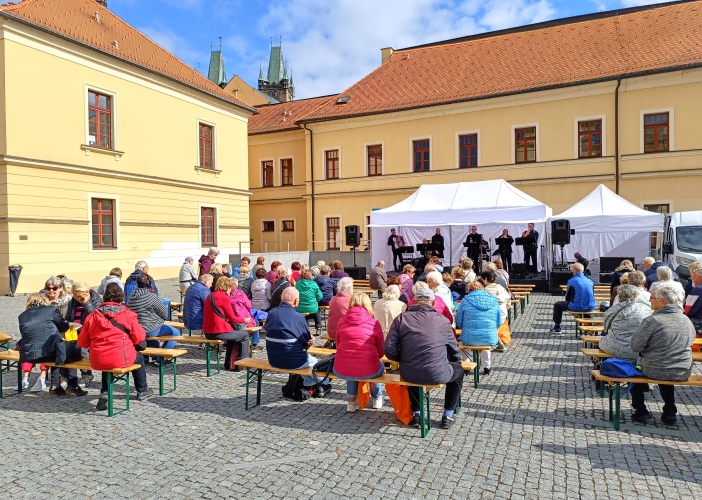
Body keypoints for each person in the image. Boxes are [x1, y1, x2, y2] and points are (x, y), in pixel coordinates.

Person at [384, 287, 464, 429]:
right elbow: (454, 349)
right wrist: (455, 360)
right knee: (458, 371)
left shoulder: (401, 318)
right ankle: (448, 415)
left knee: (413, 369)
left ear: (414, 301)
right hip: (436, 372)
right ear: (432, 303)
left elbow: (389, 348)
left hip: (409, 371)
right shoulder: (443, 320)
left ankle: (417, 413)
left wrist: (401, 358)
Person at [79, 283, 153, 409]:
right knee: (139, 357)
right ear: (121, 298)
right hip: (121, 357)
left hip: (98, 359)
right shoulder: (127, 314)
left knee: (106, 359)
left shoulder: (92, 316)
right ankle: (142, 390)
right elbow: (140, 337)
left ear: (104, 298)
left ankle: (105, 392)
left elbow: (83, 343)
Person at [629, 285, 696, 424]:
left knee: (631, 371)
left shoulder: (652, 321)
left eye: (653, 298)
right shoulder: (686, 320)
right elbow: (691, 340)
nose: (649, 300)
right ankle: (670, 409)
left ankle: (640, 409)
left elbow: (636, 346)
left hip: (656, 367)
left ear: (663, 302)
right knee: (665, 365)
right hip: (682, 368)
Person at [266, 287, 331, 398]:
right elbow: (306, 342)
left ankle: (310, 384)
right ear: (296, 301)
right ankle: (321, 383)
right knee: (315, 363)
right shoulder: (298, 317)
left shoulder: (272, 313)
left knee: (306, 363)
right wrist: (311, 339)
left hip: (273, 359)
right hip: (294, 361)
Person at [334, 293, 386, 411]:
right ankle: (377, 399)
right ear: (368, 304)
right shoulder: (374, 323)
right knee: (376, 366)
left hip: (342, 368)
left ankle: (351, 402)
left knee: (351, 366)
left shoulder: (341, 322)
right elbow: (381, 350)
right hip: (368, 368)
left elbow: (338, 344)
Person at [18, 294, 72, 394]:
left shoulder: (22, 316)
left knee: (55, 346)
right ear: (44, 301)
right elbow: (63, 327)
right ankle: (60, 384)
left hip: (28, 356)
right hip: (49, 354)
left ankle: (32, 379)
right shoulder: (51, 310)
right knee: (62, 349)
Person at [203, 276, 252, 371]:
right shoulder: (224, 298)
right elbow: (232, 318)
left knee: (232, 337)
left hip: (208, 332)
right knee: (244, 335)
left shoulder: (210, 296)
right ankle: (243, 363)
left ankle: (228, 363)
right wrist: (244, 320)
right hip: (218, 332)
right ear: (227, 287)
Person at [126, 273, 177, 361]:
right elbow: (164, 313)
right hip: (149, 328)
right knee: (175, 333)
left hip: (136, 327)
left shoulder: (131, 295)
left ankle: (155, 356)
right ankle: (162, 357)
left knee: (153, 333)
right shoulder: (151, 296)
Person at [456, 281, 501, 375]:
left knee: (465, 342)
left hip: (469, 337)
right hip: (489, 336)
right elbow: (499, 321)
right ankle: (487, 366)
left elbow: (459, 321)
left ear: (470, 290)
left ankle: (467, 364)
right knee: (485, 340)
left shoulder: (465, 300)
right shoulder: (494, 300)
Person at [599, 285, 653, 360]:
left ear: (619, 296)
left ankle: (600, 364)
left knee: (602, 338)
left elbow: (606, 329)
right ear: (636, 296)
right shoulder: (646, 309)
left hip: (614, 347)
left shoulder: (611, 310)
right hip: (638, 350)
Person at [65, 281, 102, 386]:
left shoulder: (96, 300)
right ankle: (69, 378)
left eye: (80, 296)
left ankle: (87, 375)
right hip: (75, 330)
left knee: (83, 351)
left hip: (90, 332)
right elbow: (68, 316)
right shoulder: (73, 301)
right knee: (69, 350)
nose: (78, 299)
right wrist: (68, 323)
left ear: (87, 293)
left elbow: (96, 317)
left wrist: (86, 303)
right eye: (76, 296)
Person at [549, 263, 595, 334]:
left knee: (557, 305)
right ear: (583, 271)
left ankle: (557, 327)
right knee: (586, 303)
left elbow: (567, 296)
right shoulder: (590, 281)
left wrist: (568, 303)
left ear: (573, 271)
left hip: (577, 306)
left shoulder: (572, 281)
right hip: (590, 306)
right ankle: (589, 327)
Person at [481, 270, 511, 352]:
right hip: (503, 314)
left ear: (486, 279)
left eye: (483, 279)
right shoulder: (502, 288)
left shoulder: (485, 291)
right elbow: (508, 301)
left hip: (490, 316)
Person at [229, 277, 260, 349]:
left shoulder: (226, 295)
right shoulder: (240, 293)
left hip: (231, 321)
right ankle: (254, 344)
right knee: (256, 322)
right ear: (236, 285)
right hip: (243, 320)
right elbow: (249, 305)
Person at [295, 269, 323, 334]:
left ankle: (305, 327)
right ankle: (318, 326)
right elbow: (320, 296)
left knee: (305, 313)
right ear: (310, 276)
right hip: (312, 308)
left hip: (300, 308)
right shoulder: (314, 284)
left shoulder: (297, 284)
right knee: (316, 312)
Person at [683, 266, 702, 334]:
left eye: (693, 276)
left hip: (697, 322)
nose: (692, 279)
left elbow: (687, 308)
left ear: (700, 277)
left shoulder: (697, 289)